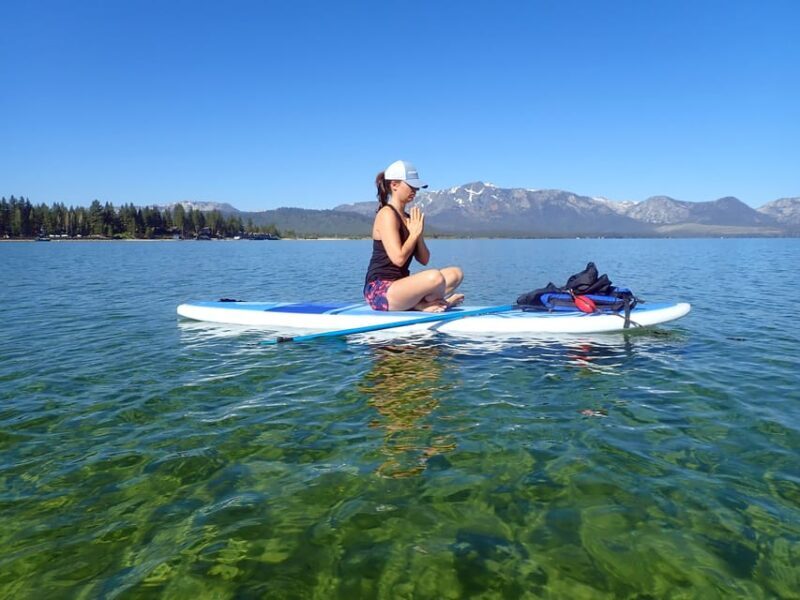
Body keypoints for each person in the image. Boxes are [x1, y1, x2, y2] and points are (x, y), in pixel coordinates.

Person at [363, 160, 464, 312]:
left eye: (416, 187)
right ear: (394, 185)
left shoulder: (409, 218)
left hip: (401, 286)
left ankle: (425, 304)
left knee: (455, 273)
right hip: (380, 292)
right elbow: (398, 259)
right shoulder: (386, 214)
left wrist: (418, 234)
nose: (415, 191)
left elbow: (424, 260)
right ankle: (431, 304)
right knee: (434, 277)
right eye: (411, 186)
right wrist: (414, 234)